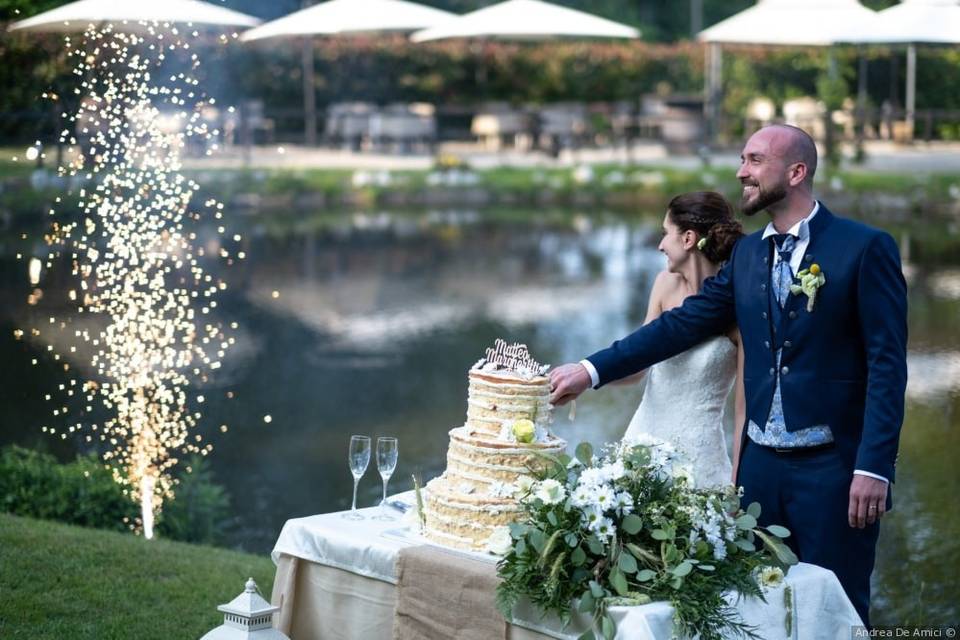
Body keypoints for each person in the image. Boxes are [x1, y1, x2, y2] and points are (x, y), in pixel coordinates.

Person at [549, 124, 907, 627]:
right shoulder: (748, 255)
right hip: (759, 474)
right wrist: (591, 370)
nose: (741, 171)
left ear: (796, 171)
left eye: (755, 160)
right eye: (743, 158)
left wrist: (873, 468)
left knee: (837, 613)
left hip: (833, 471)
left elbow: (888, 366)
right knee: (756, 614)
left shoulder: (865, 247)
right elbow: (678, 327)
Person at [619, 191, 745, 488]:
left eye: (666, 233)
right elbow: (636, 366)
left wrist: (739, 480)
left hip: (699, 462)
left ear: (688, 239)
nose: (661, 244)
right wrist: (572, 378)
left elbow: (743, 411)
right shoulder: (664, 285)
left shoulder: (738, 310)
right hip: (641, 446)